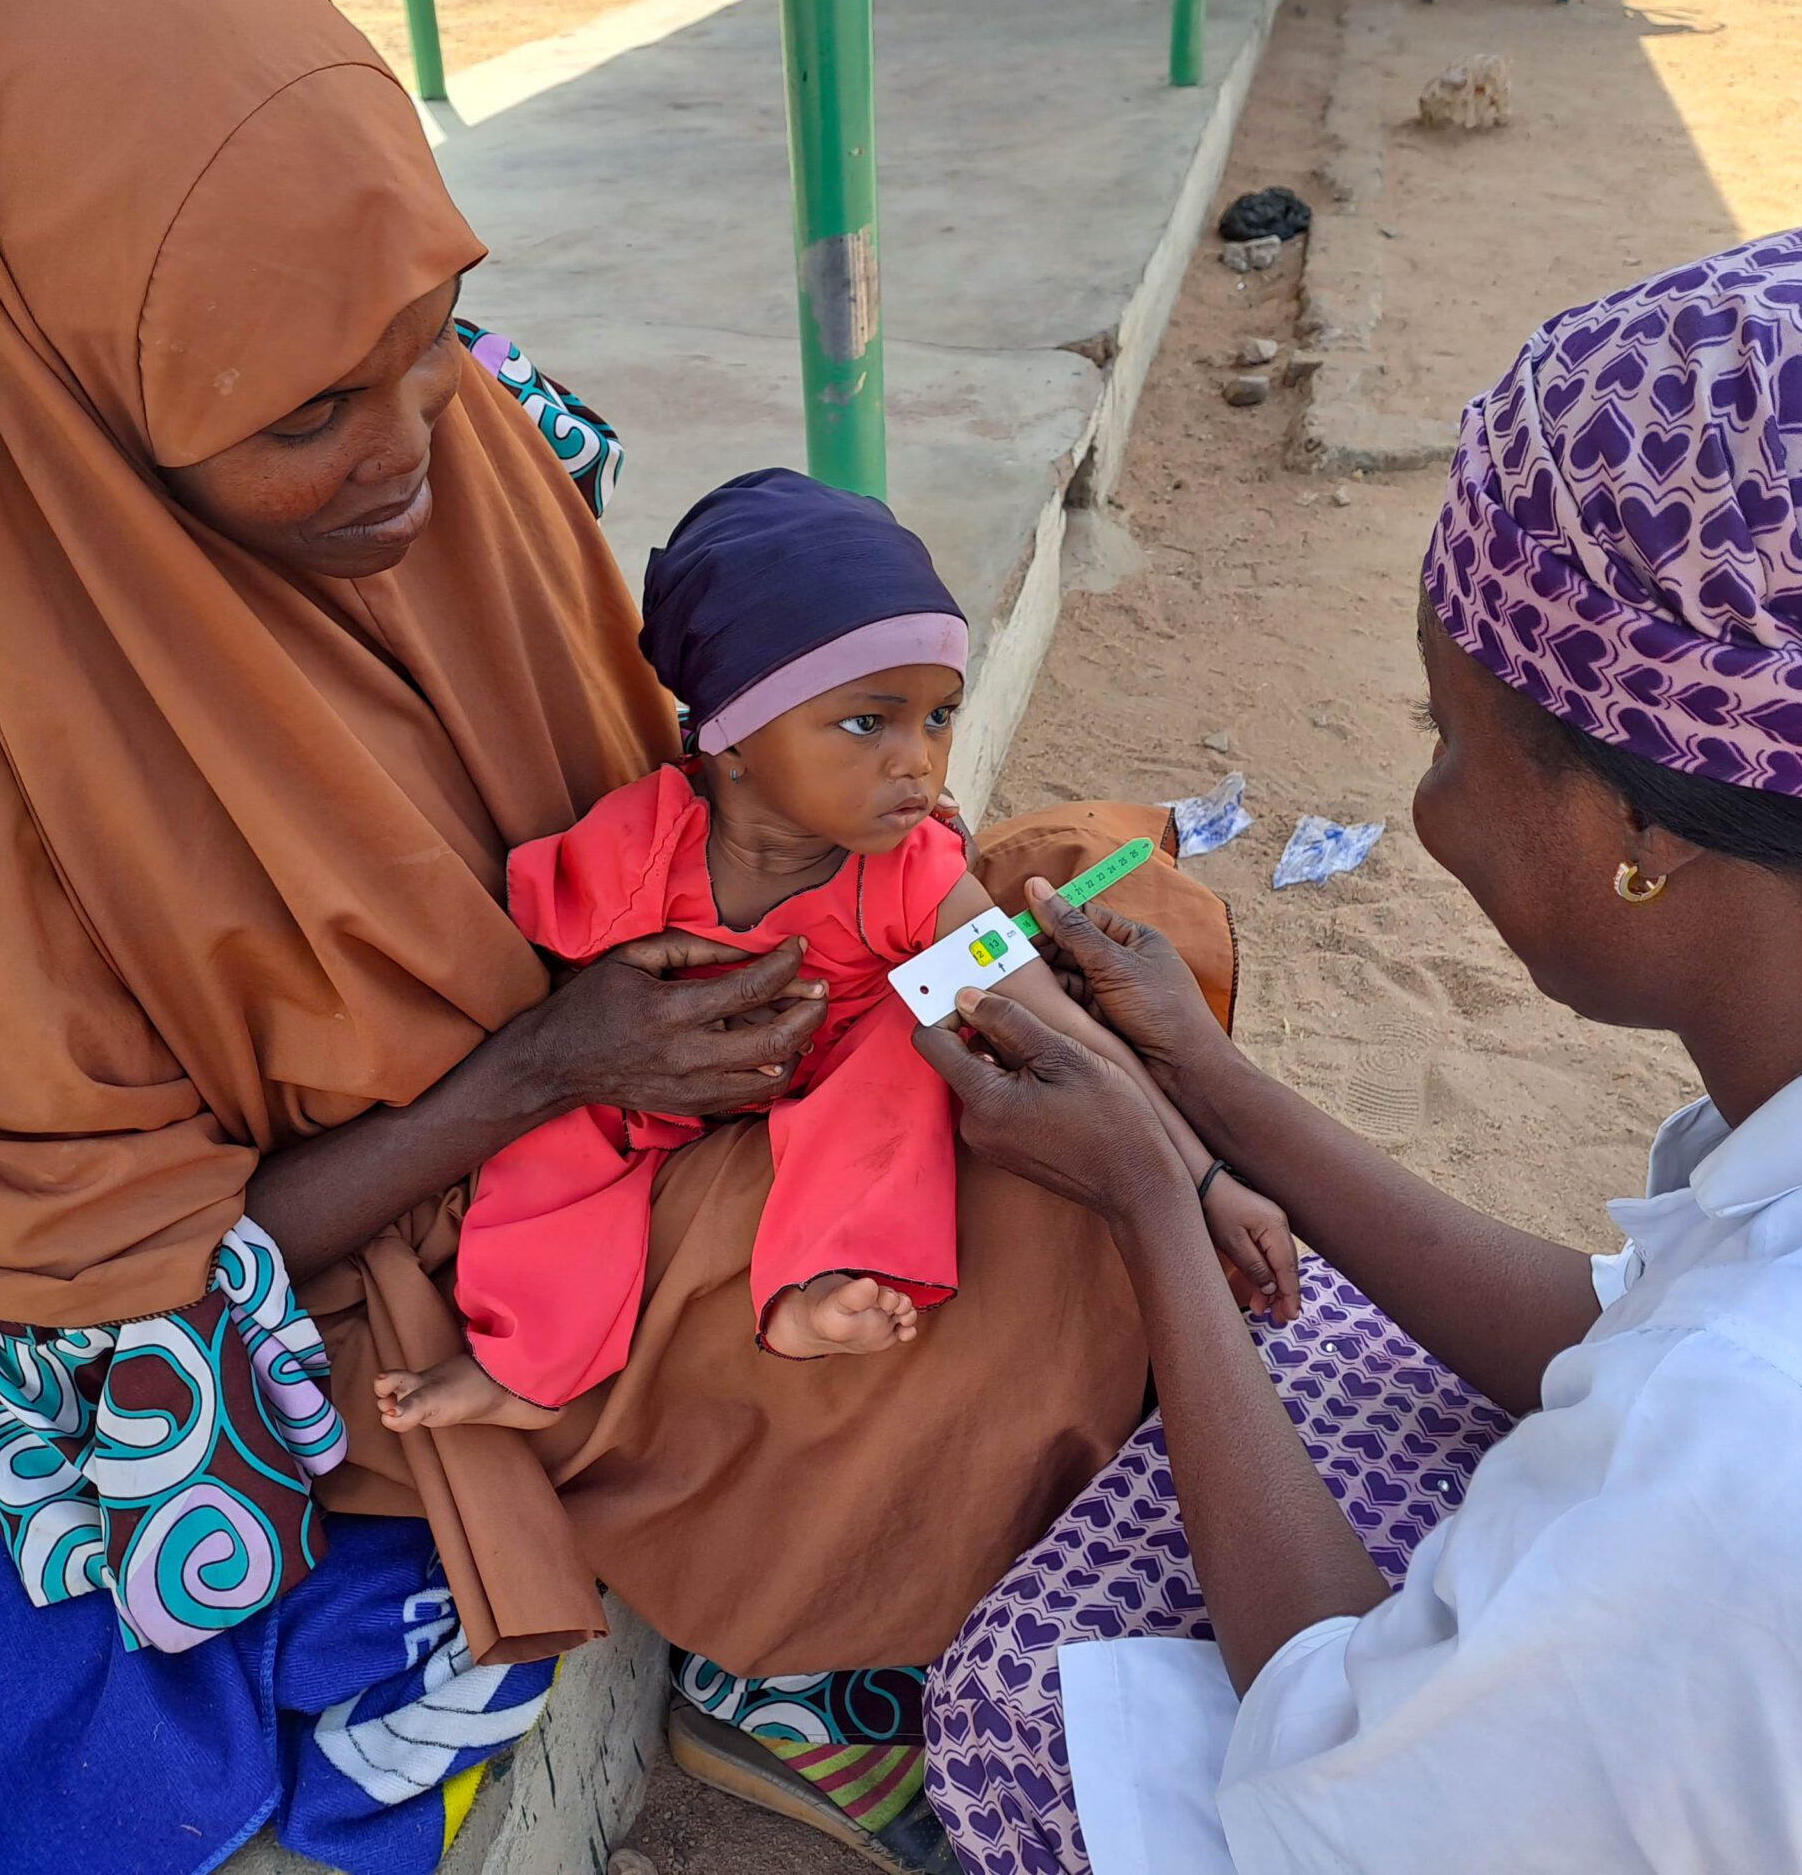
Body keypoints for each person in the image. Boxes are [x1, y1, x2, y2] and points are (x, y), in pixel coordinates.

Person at [0, 0, 1239, 1870]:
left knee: (1118, 956)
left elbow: (657, 796)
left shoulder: (467, 465)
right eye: (307, 411)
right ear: (78, 404)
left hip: (672, 1053)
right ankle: (796, 1661)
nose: (409, 442)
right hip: (437, 1260)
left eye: (431, 333)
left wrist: (817, 922)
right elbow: (122, 1306)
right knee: (999, 1250)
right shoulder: (5, 838)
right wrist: (536, 1072)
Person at [916, 207, 1802, 1874]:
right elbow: (1620, 1327)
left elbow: (1341, 1774)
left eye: (1446, 734)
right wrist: (1205, 1084)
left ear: (1651, 823)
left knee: (1031, 1712)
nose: (1423, 815)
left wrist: (1146, 1207)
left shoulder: (1782, 1459)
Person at [381, 470, 1297, 1430]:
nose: (918, 762)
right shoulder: (632, 849)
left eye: (938, 716)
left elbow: (1050, 1022)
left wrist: (1204, 1177)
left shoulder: (914, 877)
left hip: (839, 1068)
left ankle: (819, 1284)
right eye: (868, 721)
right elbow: (536, 975)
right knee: (549, 1146)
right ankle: (522, 1368)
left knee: (914, 1050)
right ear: (731, 736)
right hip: (661, 1088)